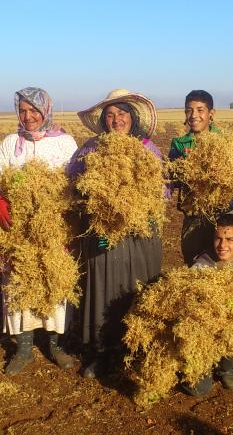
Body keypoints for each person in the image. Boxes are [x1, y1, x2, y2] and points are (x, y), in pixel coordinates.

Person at [67, 89, 166, 379]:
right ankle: (101, 351)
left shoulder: (148, 149)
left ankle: (134, 348)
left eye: (121, 114)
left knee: (136, 287)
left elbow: (163, 191)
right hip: (102, 234)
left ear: (132, 117)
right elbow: (73, 183)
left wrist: (135, 205)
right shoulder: (90, 148)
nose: (116, 120)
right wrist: (95, 204)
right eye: (110, 115)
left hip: (139, 235)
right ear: (102, 121)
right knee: (102, 288)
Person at [0, 87, 79, 375]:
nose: (28, 116)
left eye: (34, 110)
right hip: (18, 231)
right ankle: (24, 348)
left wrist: (64, 208)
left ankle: (55, 345)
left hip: (53, 229)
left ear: (46, 111)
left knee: (53, 281)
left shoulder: (65, 143)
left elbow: (77, 182)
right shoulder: (11, 143)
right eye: (23, 110)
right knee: (18, 285)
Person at [183, 213, 233, 396]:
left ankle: (226, 366)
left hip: (230, 324)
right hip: (204, 330)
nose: (222, 245)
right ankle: (194, 365)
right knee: (200, 389)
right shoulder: (201, 267)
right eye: (218, 238)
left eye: (229, 239)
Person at [168, 90, 226, 265]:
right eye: (189, 110)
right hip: (193, 215)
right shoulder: (179, 144)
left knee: (225, 265)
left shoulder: (225, 141)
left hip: (223, 215)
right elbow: (172, 177)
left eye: (200, 110)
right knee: (194, 264)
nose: (194, 115)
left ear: (211, 113)